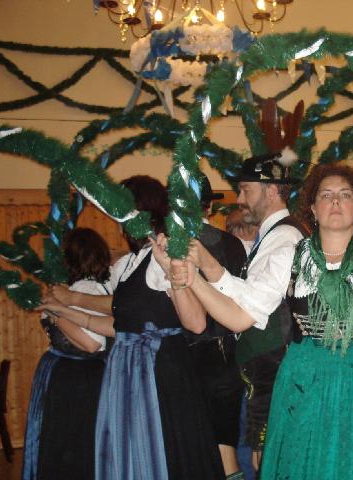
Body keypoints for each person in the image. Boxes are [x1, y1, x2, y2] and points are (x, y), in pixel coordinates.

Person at [170, 163, 353, 479]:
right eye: (326, 195)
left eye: (345, 194)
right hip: (302, 384)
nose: (335, 201)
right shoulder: (290, 255)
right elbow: (241, 317)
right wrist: (194, 280)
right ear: (312, 207)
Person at [41, 175, 224, 480]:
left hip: (159, 375)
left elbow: (196, 323)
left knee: (164, 455)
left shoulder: (163, 257)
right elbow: (122, 327)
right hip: (129, 372)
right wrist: (64, 311)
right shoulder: (131, 262)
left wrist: (171, 270)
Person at [165, 150, 307, 472]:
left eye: (245, 190)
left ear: (271, 191)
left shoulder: (284, 238)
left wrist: (205, 266)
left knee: (272, 463)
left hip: (277, 372)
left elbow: (246, 312)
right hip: (264, 373)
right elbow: (246, 299)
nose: (239, 199)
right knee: (263, 461)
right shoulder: (271, 236)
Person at [23, 227, 112, 480]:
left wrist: (55, 313)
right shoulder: (81, 288)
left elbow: (91, 344)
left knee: (71, 448)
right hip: (69, 377)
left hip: (78, 381)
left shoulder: (86, 289)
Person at [189, 175, 248, 479]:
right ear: (209, 207)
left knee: (190, 452)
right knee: (226, 450)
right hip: (227, 355)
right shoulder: (233, 244)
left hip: (185, 357)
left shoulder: (170, 245)